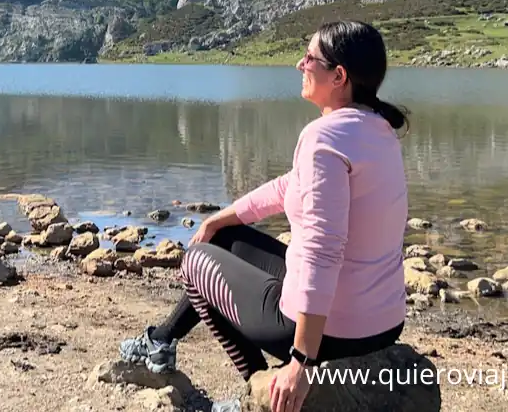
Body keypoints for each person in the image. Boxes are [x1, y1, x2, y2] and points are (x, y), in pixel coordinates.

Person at [119, 20, 411, 412]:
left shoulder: (323, 138)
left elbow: (323, 250)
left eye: (310, 58)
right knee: (218, 239)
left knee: (194, 262)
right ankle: (161, 342)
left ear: (338, 76)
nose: (299, 64)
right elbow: (290, 186)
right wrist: (220, 218)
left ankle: (257, 391)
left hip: (334, 334)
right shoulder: (377, 129)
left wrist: (301, 362)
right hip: (383, 323)